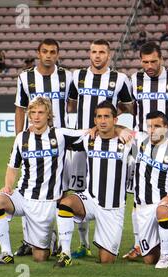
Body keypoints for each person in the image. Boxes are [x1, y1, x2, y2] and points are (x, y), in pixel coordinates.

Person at [0, 97, 86, 265]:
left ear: (48, 114)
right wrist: (7, 186)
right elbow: (13, 167)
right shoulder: (22, 138)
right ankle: (6, 253)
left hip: (47, 202)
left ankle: (51, 237)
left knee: (40, 257)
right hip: (23, 196)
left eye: (40, 112)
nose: (36, 116)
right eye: (32, 112)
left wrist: (120, 130)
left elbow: (90, 132)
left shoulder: (60, 135)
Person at [67, 39, 133, 258]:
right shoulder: (77, 76)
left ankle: (106, 235)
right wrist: (85, 128)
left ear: (109, 54)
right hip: (82, 142)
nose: (97, 56)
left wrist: (115, 125)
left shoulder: (120, 79)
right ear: (89, 53)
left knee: (104, 187)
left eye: (102, 52)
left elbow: (128, 107)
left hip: (105, 139)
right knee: (78, 190)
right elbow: (72, 103)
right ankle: (83, 244)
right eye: (94, 52)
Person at [125, 42, 168, 259]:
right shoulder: (134, 80)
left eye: (153, 61)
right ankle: (138, 243)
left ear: (161, 59)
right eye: (145, 62)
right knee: (138, 194)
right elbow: (125, 104)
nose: (149, 65)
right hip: (140, 145)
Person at [54, 101, 133, 267]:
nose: (103, 120)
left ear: (115, 119)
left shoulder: (127, 141)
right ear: (95, 120)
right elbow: (59, 133)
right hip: (90, 199)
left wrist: (122, 130)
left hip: (113, 208)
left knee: (106, 261)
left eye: (107, 116)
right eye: (99, 117)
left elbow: (156, 136)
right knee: (66, 203)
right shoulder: (88, 138)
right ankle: (65, 252)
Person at [14, 38, 73, 257]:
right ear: (38, 53)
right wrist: (19, 139)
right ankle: (29, 240)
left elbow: (75, 102)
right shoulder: (25, 77)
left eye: (53, 52)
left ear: (58, 54)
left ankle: (56, 236)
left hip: (60, 142)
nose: (49, 55)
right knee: (28, 187)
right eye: (45, 51)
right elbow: (20, 109)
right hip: (33, 141)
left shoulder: (67, 76)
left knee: (60, 189)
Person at [131, 111, 168, 268]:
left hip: (164, 202)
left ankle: (166, 256)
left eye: (157, 126)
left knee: (163, 211)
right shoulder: (139, 142)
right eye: (149, 126)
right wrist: (95, 129)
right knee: (149, 260)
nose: (152, 130)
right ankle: (163, 245)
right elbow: (116, 129)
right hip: (142, 209)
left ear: (166, 128)